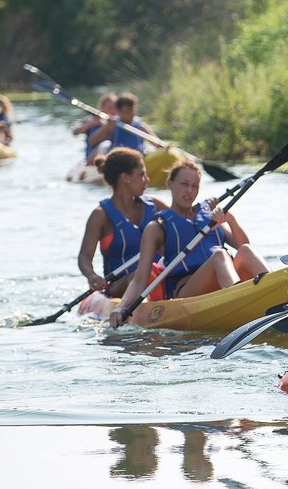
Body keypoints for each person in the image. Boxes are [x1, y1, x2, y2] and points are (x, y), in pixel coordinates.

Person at [109, 159, 269, 327]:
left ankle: (278, 290)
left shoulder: (208, 217)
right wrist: (121, 307)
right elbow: (140, 279)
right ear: (169, 183)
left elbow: (243, 245)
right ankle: (241, 299)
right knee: (220, 255)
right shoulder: (157, 227)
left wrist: (230, 220)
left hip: (223, 282)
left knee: (246, 251)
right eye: (184, 184)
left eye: (195, 186)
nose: (189, 191)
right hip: (187, 290)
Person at [77, 148, 170, 298]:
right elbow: (84, 257)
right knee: (136, 277)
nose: (147, 179)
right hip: (119, 287)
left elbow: (182, 223)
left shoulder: (155, 205)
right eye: (141, 175)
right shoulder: (100, 215)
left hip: (159, 278)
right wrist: (92, 276)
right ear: (125, 177)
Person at [88, 92, 158, 154]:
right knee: (103, 145)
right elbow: (92, 141)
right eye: (127, 111)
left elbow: (156, 143)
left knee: (149, 150)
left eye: (132, 110)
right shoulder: (113, 125)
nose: (131, 114)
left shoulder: (140, 126)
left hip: (137, 158)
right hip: (119, 158)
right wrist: (106, 127)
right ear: (119, 112)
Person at [72, 92, 117, 164]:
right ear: (102, 107)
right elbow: (75, 132)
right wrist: (90, 124)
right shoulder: (90, 119)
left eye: (115, 108)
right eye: (110, 108)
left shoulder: (118, 122)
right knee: (105, 144)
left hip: (112, 154)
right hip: (92, 157)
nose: (113, 111)